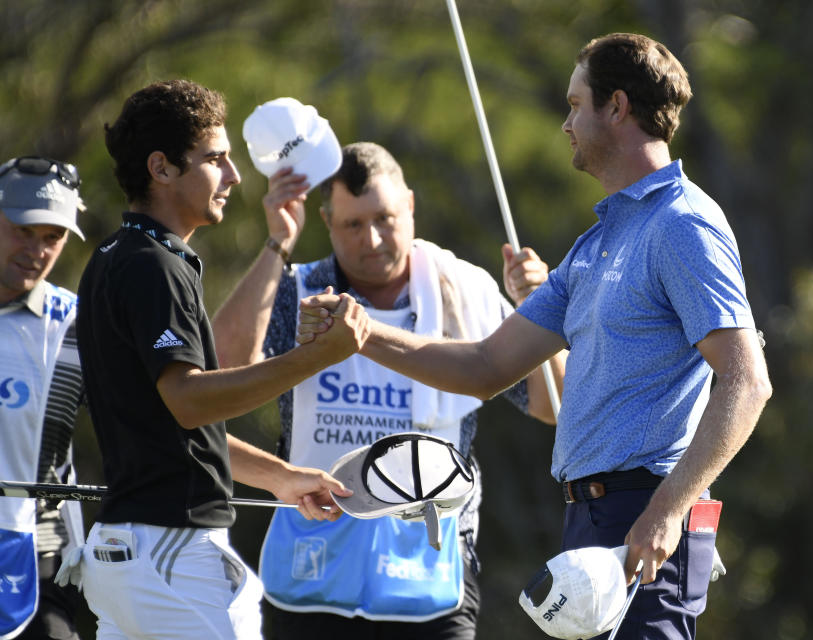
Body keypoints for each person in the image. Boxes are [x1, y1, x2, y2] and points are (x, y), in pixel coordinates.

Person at [299, 33, 772, 639]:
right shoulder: (594, 245)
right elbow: (487, 365)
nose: (566, 123)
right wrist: (362, 334)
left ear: (618, 107)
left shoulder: (684, 224)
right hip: (592, 519)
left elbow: (747, 380)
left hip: (647, 516)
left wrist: (667, 510)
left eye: (576, 104)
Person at [212, 141, 565, 640]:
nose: (372, 239)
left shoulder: (466, 289)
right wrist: (277, 245)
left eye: (385, 217)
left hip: (433, 571)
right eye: (353, 224)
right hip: (313, 566)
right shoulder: (299, 291)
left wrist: (538, 308)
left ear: (411, 207)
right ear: (327, 222)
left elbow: (555, 407)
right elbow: (216, 380)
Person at [73, 79, 370, 640]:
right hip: (171, 555)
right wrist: (315, 357)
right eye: (216, 159)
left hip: (130, 553)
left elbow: (175, 425)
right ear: (160, 168)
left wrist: (280, 477)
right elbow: (190, 402)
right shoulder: (153, 265)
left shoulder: (116, 256)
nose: (234, 177)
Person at [0, 156, 88, 639]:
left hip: (38, 564)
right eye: (22, 230)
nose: (37, 250)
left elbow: (154, 420)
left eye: (53, 236)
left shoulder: (77, 323)